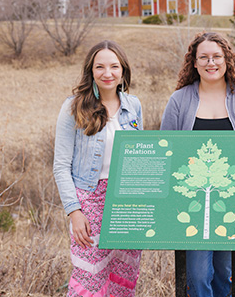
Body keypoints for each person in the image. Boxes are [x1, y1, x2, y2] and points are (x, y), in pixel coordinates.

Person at [160, 32, 235, 297]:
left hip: (233, 202)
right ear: (194, 63)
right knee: (197, 276)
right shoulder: (179, 101)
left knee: (226, 274)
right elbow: (166, 153)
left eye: (217, 56)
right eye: (204, 57)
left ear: (227, 60)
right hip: (192, 204)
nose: (211, 62)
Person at [53, 40, 143, 297]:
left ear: (122, 71)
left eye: (114, 66)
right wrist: (74, 212)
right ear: (90, 71)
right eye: (100, 67)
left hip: (126, 204)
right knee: (88, 281)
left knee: (123, 279)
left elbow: (140, 159)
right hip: (88, 202)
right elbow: (60, 166)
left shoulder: (133, 105)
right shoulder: (74, 107)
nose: (107, 73)